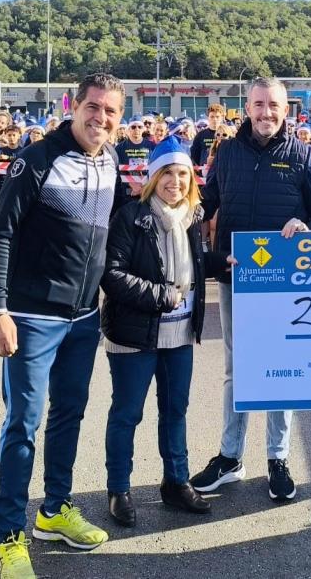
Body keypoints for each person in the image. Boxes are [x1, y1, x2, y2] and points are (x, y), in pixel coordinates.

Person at [0, 72, 129, 578]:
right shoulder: (37, 159)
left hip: (84, 316)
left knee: (69, 414)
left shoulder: (112, 159)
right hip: (30, 317)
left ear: (119, 117)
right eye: (93, 107)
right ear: (75, 107)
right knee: (22, 424)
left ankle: (55, 510)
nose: (100, 118)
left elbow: (119, 223)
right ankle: (9, 536)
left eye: (110, 111)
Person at [189, 77, 311, 503]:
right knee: (237, 369)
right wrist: (177, 213)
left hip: (283, 283)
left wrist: (307, 226)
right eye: (258, 104)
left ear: (286, 110)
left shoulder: (302, 154)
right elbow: (207, 202)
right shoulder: (227, 152)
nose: (266, 112)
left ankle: (278, 457)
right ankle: (230, 457)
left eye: (274, 105)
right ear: (247, 107)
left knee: (280, 367)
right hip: (236, 275)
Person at [101, 136, 213, 527]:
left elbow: (195, 265)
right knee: (127, 414)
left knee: (175, 411)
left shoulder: (193, 216)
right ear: (152, 177)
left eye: (182, 174)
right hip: (134, 334)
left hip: (179, 335)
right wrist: (162, 295)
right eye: (167, 173)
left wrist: (225, 261)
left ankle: (176, 482)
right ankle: (118, 489)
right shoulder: (131, 217)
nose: (175, 182)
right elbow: (111, 274)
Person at [190, 103, 226, 169]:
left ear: (221, 118)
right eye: (212, 117)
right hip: (206, 170)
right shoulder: (200, 135)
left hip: (223, 168)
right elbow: (194, 154)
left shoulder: (227, 133)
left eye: (217, 117)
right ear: (208, 118)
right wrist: (203, 162)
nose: (215, 119)